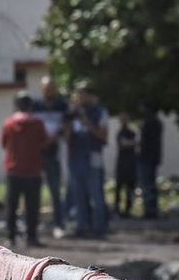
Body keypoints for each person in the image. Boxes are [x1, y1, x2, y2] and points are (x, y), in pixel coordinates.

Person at [0, 91, 48, 246]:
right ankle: (31, 237)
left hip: (13, 169)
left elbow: (3, 143)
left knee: (11, 206)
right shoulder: (37, 123)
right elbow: (44, 141)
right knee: (32, 207)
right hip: (33, 170)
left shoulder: (9, 123)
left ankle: (10, 236)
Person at [65, 82, 109, 239]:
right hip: (76, 158)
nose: (79, 97)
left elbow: (103, 135)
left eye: (82, 93)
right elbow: (66, 137)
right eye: (77, 93)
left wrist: (88, 124)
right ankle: (82, 226)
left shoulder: (99, 112)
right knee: (78, 195)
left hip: (93, 157)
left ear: (90, 95)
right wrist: (68, 125)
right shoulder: (72, 112)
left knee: (96, 194)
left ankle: (99, 228)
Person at [34, 75, 68, 225]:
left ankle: (58, 222)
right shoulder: (35, 105)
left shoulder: (62, 105)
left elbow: (66, 127)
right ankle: (35, 222)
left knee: (55, 190)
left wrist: (53, 138)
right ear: (42, 89)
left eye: (51, 88)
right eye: (46, 89)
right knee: (34, 191)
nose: (49, 91)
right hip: (36, 154)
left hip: (54, 153)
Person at [139, 104, 163, 220]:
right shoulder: (157, 122)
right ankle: (152, 210)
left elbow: (145, 141)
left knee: (147, 185)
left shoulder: (149, 122)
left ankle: (150, 211)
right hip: (153, 158)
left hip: (147, 157)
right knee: (151, 185)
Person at [113, 114, 139, 218]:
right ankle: (117, 209)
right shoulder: (120, 133)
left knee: (130, 187)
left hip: (131, 163)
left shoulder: (131, 132)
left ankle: (128, 209)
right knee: (119, 187)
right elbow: (124, 143)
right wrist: (134, 143)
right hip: (122, 163)